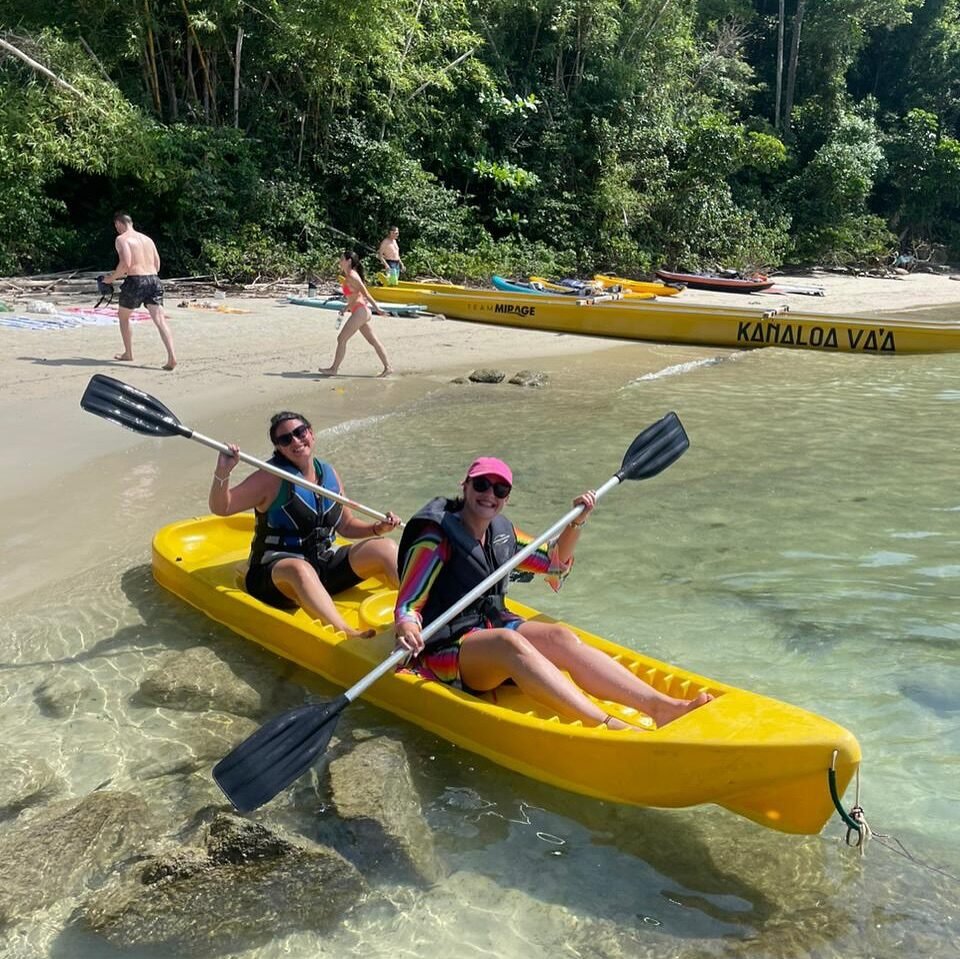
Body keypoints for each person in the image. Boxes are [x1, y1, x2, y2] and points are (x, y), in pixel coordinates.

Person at [393, 457, 714, 729]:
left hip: (490, 627)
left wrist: (577, 523)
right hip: (448, 647)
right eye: (481, 485)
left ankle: (662, 707)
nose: (490, 494)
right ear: (465, 486)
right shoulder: (435, 541)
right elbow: (408, 604)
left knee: (560, 636)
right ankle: (605, 724)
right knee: (509, 643)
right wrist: (408, 628)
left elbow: (555, 566)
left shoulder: (503, 534)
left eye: (500, 489)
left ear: (506, 497)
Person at [209, 411, 401, 637]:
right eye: (285, 439)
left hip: (322, 566)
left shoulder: (328, 474)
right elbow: (222, 507)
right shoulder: (270, 478)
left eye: (300, 433)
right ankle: (348, 633)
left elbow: (346, 525)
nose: (296, 441)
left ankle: (417, 607)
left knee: (384, 547)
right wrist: (223, 471)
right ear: (278, 447)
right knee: (300, 569)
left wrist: (377, 528)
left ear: (311, 433)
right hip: (276, 576)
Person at [103, 212, 177, 371]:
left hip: (136, 281)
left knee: (123, 317)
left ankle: (128, 353)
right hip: (154, 279)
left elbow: (125, 264)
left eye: (116, 226)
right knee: (160, 320)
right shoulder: (148, 240)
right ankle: (171, 356)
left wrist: (110, 279)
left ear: (119, 223)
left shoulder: (122, 239)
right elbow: (157, 264)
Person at [318, 251, 392, 377]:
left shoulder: (352, 276)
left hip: (361, 311)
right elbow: (354, 297)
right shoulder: (349, 276)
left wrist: (378, 309)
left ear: (349, 261)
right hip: (359, 311)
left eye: (342, 259)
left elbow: (366, 294)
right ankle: (388, 368)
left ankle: (334, 369)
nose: (339, 261)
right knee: (373, 341)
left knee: (341, 338)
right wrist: (346, 308)